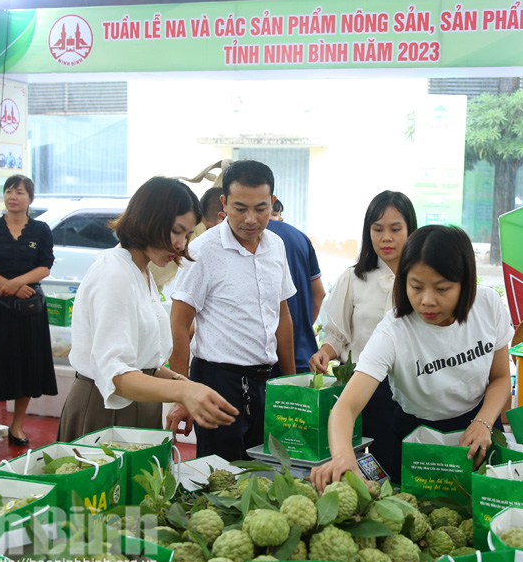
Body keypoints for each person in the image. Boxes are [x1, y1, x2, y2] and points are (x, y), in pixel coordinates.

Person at [312, 225, 514, 487]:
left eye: (442, 289)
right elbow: (346, 407)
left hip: (478, 429)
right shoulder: (394, 330)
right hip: (416, 437)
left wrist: (484, 422)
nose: (427, 301)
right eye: (416, 287)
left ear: (465, 284)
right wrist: (342, 456)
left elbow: (500, 378)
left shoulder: (487, 306)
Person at [57, 177, 236, 441]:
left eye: (187, 235)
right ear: (148, 219)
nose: (181, 245)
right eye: (176, 231)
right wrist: (184, 393)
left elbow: (143, 362)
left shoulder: (142, 271)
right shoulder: (115, 274)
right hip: (105, 409)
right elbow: (116, 375)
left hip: (139, 406)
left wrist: (187, 385)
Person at [169, 160, 296, 462]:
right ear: (223, 203)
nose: (251, 219)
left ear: (273, 203)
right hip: (217, 382)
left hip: (265, 382)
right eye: (240, 209)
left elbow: (283, 316)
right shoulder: (203, 251)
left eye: (261, 208)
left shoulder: (276, 246)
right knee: (221, 479)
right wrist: (182, 394)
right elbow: (178, 324)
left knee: (264, 473)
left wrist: (291, 384)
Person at [309, 190, 417, 466]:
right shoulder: (354, 278)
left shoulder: (422, 280)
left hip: (412, 389)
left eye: (395, 229)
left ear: (410, 229)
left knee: (404, 464)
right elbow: (338, 334)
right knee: (363, 463)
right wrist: (325, 352)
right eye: (377, 229)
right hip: (364, 388)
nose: (386, 238)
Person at [0, 175, 57, 446]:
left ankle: (16, 426)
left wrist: (17, 283)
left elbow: (45, 266)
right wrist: (7, 287)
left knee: (26, 367)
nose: (13, 196)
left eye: (19, 192)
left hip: (30, 308)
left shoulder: (41, 229)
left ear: (30, 198)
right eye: (8, 191)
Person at [266, 212, 324, 373]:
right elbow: (319, 294)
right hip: (303, 354)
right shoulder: (300, 237)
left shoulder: (250, 239)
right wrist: (304, 327)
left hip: (262, 363)